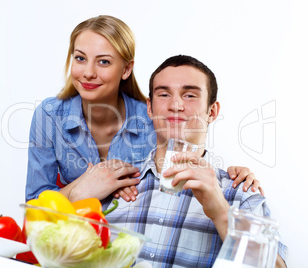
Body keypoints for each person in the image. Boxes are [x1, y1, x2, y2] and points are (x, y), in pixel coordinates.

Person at [25, 15, 262, 204]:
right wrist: (82, 188)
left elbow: (186, 161)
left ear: (126, 69)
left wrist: (233, 176)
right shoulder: (49, 115)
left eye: (104, 61)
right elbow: (33, 204)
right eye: (80, 58)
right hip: (70, 230)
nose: (88, 72)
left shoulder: (154, 117)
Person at [101, 55, 287, 267]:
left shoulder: (241, 194)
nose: (176, 105)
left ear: (212, 111)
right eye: (164, 94)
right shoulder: (114, 185)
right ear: (150, 108)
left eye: (189, 95)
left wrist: (220, 211)